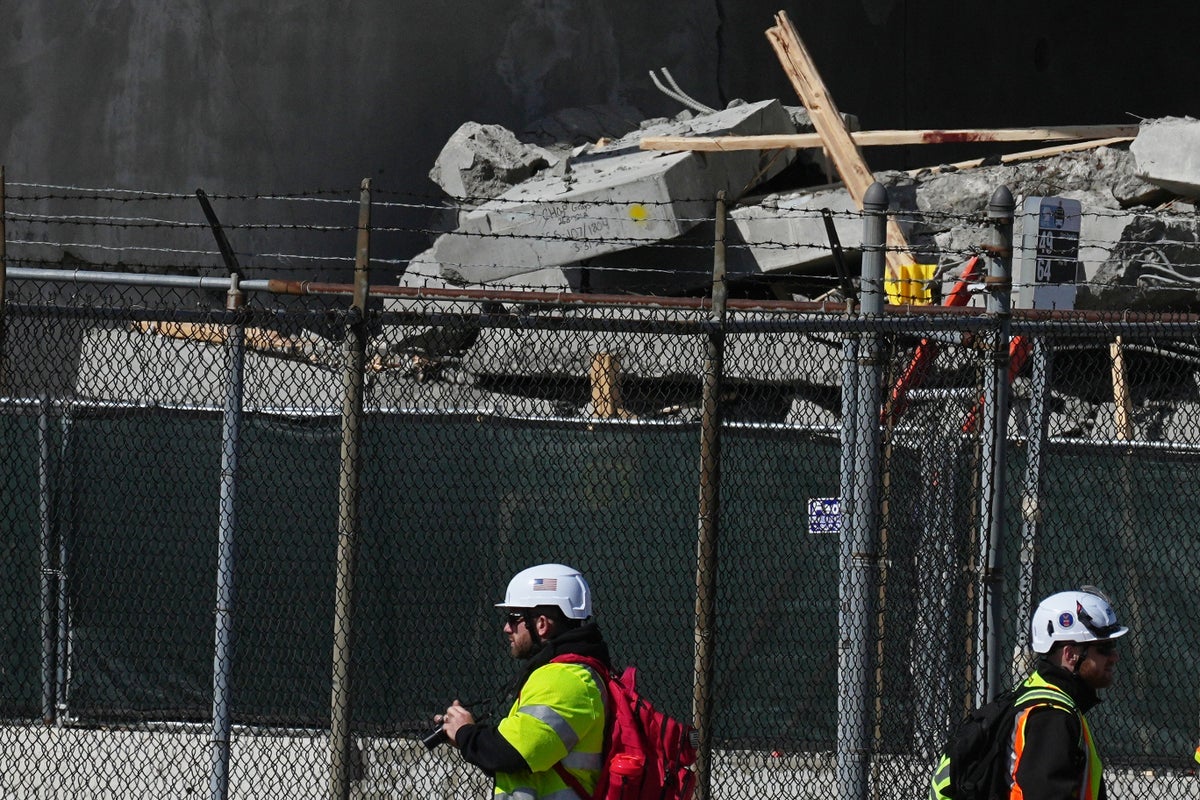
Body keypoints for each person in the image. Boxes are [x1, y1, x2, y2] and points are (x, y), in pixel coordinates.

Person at [931, 585, 1128, 800]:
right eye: (1105, 647)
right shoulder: (1051, 716)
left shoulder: (1039, 695)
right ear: (1071, 654)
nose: (1114, 656)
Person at [438, 563, 612, 799]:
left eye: (513, 618)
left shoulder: (566, 679)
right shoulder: (563, 674)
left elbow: (513, 753)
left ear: (541, 624)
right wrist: (465, 735)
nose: (506, 628)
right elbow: (523, 755)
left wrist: (465, 733)